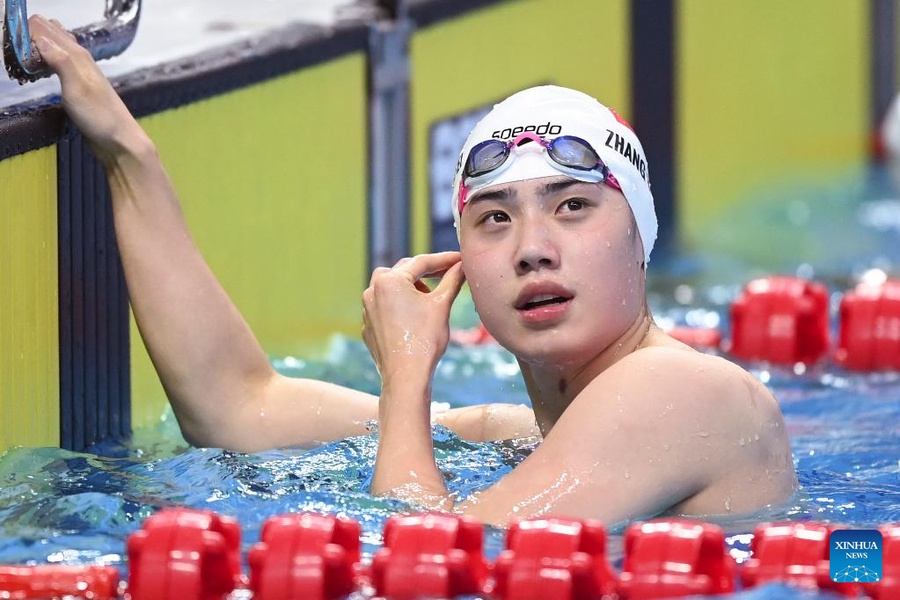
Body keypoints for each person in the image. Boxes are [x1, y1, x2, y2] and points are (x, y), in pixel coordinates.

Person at [30, 15, 797, 527]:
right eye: (495, 218)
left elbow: (426, 566)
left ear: (640, 237)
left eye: (572, 207)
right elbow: (236, 406)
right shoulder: (519, 438)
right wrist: (129, 157)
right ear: (463, 259)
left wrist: (405, 378)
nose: (532, 247)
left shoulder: (678, 390)